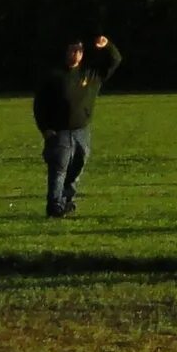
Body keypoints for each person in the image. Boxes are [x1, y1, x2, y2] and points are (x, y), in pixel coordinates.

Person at [31, 34, 122, 219]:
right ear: (65, 52)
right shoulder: (54, 76)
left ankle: (66, 199)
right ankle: (54, 205)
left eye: (79, 51)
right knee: (59, 168)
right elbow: (39, 105)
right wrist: (45, 129)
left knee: (78, 166)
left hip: (82, 130)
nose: (76, 54)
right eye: (72, 50)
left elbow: (115, 60)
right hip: (59, 132)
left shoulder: (90, 73)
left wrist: (106, 45)